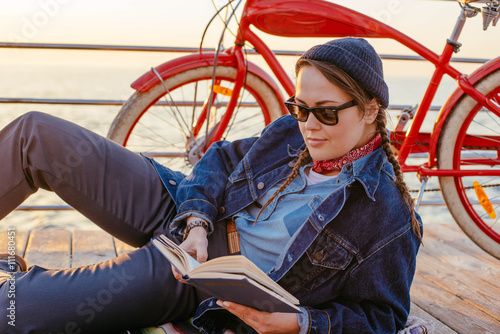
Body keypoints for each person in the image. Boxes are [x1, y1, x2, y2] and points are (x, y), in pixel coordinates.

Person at [0, 37, 422, 333]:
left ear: (370, 111)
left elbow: (381, 317)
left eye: (326, 113)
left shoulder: (389, 214)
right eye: (300, 107)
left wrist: (300, 324)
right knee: (34, 135)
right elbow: (220, 158)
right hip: (189, 212)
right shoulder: (291, 132)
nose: (309, 126)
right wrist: (197, 221)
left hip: (206, 276)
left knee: (13, 311)